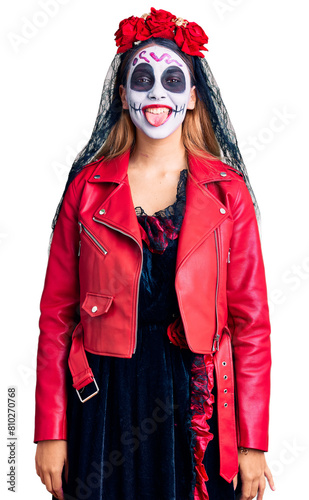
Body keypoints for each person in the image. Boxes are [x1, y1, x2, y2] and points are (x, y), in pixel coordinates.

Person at [34, 7, 275, 500]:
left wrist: (253, 442)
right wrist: (49, 430)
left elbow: (251, 323)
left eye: (172, 79)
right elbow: (56, 317)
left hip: (199, 399)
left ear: (191, 95)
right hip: (104, 401)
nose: (158, 93)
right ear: (122, 96)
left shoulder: (229, 194)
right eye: (142, 78)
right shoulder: (86, 189)